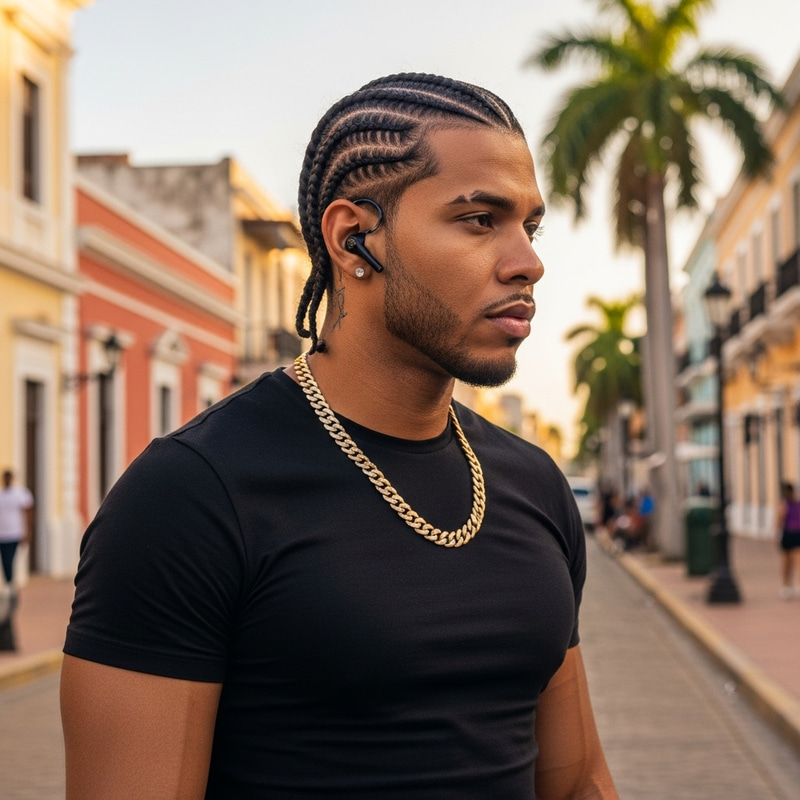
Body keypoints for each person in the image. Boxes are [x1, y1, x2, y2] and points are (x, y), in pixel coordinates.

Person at [61, 73, 617, 799]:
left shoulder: (531, 482)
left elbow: (576, 783)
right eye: (480, 219)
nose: (527, 262)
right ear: (354, 237)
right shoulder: (192, 496)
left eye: (529, 226)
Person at [0, 469, 33, 592]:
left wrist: (27, 531)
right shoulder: (1, 495)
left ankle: (11, 584)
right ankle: (9, 584)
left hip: (14, 533)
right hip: (2, 534)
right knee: (4, 561)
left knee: (10, 560)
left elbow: (28, 512)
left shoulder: (19, 494)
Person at [776, 482, 800, 599]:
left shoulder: (786, 505)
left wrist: (777, 535)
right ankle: (787, 586)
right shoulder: (790, 505)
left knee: (791, 561)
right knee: (791, 561)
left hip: (792, 533)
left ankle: (789, 586)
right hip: (792, 534)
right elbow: (779, 521)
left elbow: (779, 521)